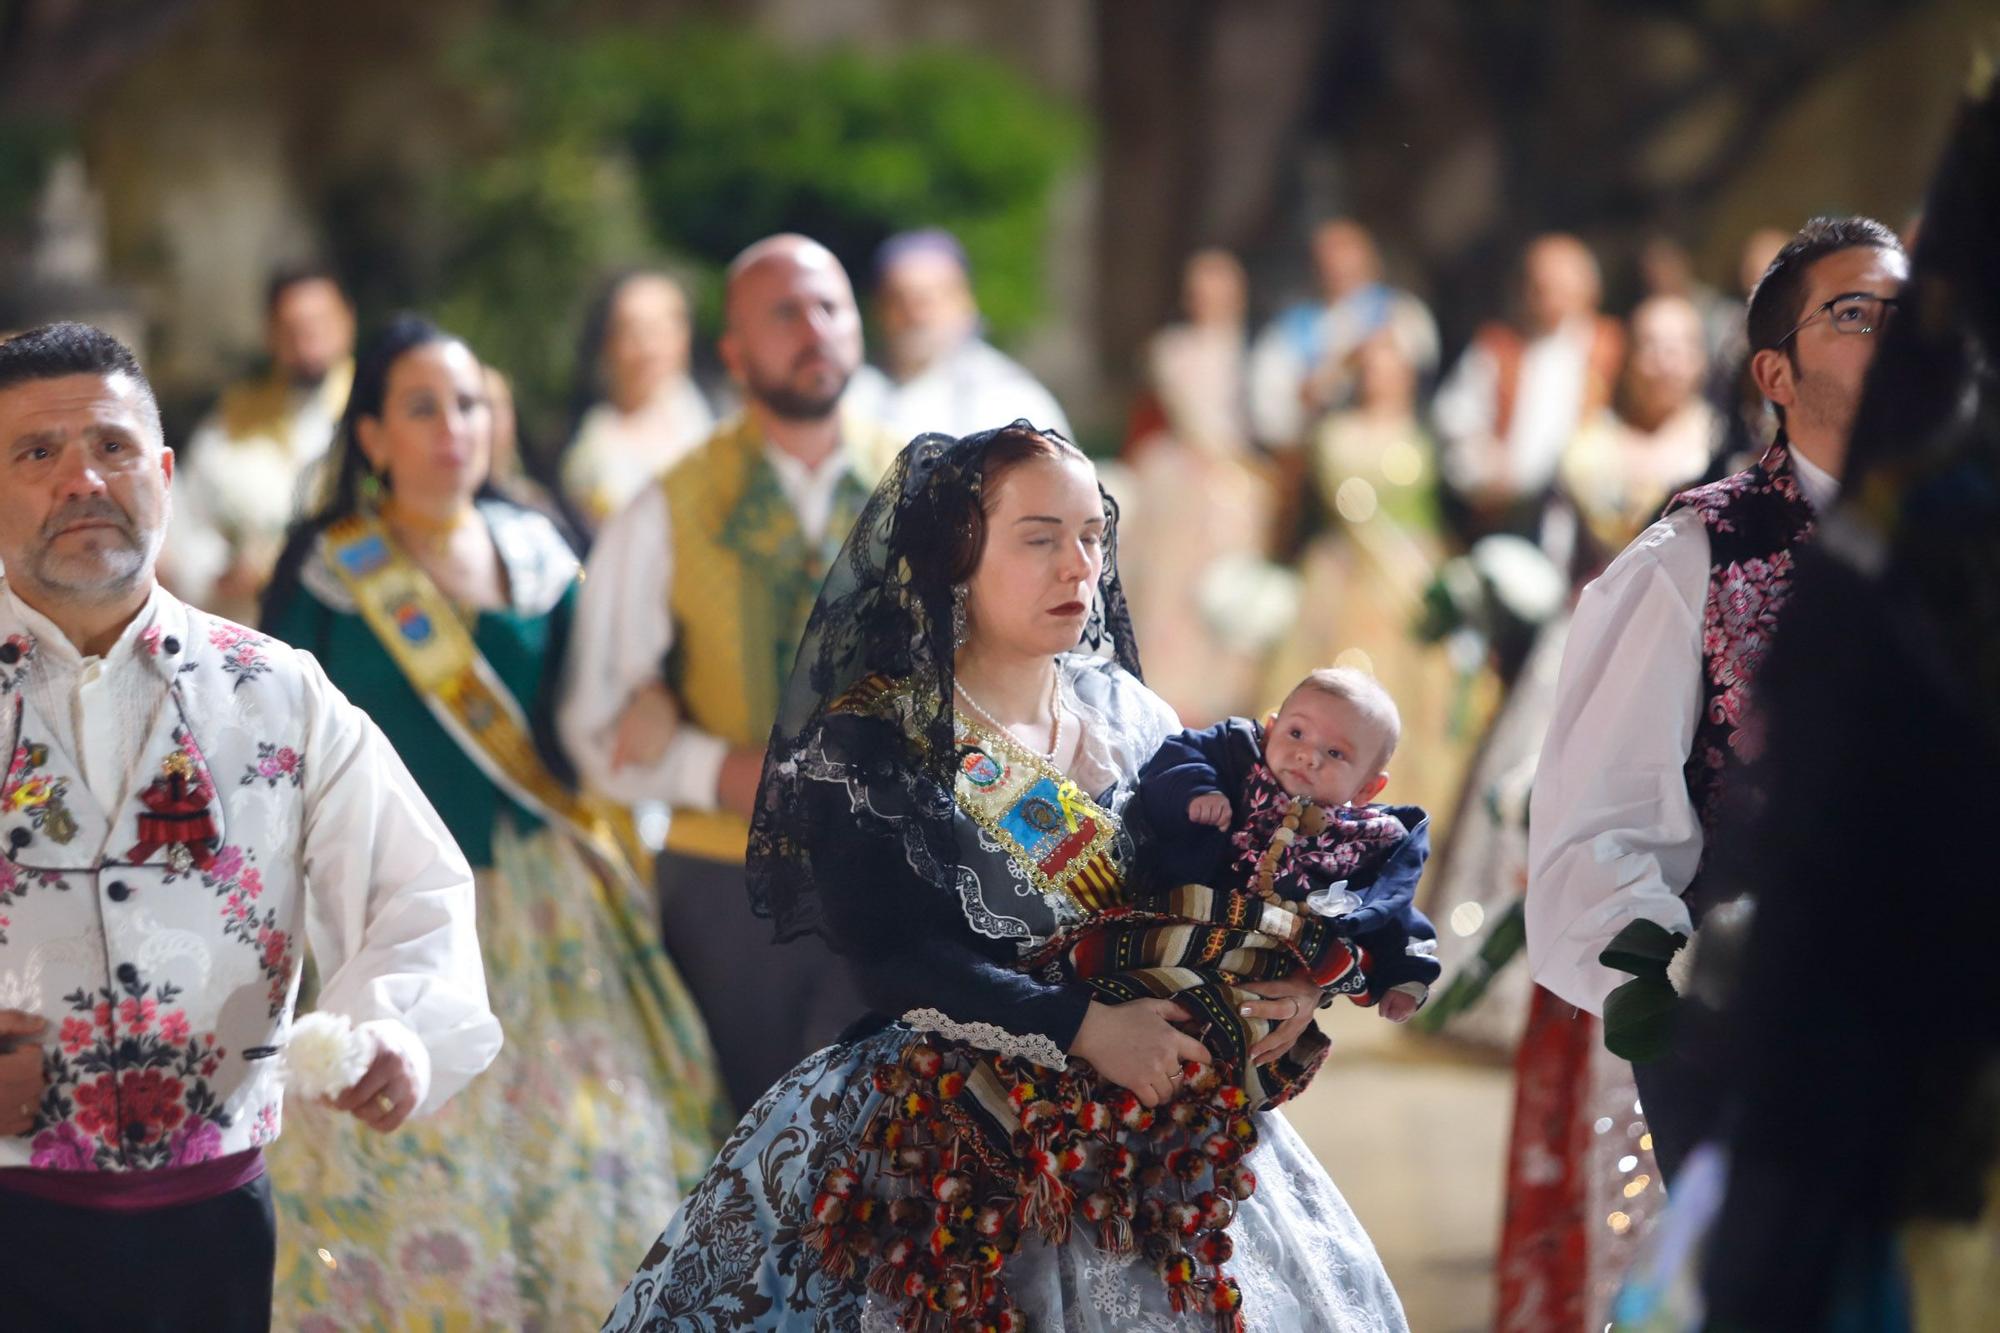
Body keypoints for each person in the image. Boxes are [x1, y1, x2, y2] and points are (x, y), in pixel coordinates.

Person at [602, 423, 1410, 1330]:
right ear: (958, 553)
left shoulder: (1133, 717)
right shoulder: (876, 739)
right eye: (1039, 538)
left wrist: (1294, 979)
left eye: (1092, 538)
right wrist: (1087, 1026)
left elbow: (1239, 889)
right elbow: (895, 958)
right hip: (952, 1130)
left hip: (1163, 1122)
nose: (1079, 567)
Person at [0, 322, 498, 1330]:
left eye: (113, 447)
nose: (83, 481)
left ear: (167, 473)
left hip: (215, 1226)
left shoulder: (278, 691)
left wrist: (391, 1029)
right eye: (36, 453)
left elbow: (417, 887)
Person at [253, 316, 727, 1328]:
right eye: (421, 407)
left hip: (547, 908)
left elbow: (605, 700)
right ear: (371, 435)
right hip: (381, 909)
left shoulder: (542, 552)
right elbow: (273, 743)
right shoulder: (331, 575)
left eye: (467, 404)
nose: (452, 428)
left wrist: (654, 701)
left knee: (583, 1150)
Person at [1527, 217, 1906, 1185]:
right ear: (1774, 376)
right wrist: (1679, 996)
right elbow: (1601, 832)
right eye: (1855, 313)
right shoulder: (1692, 560)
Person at [559, 235, 897, 1115]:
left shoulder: (930, 487)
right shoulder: (667, 506)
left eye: (832, 307)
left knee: (906, 1184)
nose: (815, 328)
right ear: (734, 354)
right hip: (731, 894)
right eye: (784, 312)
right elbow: (595, 725)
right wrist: (717, 769)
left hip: (909, 879)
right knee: (747, 1171)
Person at [1135, 666, 1440, 1020]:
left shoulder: (1361, 841)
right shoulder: (1234, 759)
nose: (1308, 755)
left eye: (1335, 753)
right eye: (1296, 733)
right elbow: (1174, 758)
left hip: (1261, 972)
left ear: (1367, 789)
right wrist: (1197, 791)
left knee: (1250, 1041)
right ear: (1270, 729)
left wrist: (1407, 977)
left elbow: (1391, 908)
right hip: (1174, 922)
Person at [1118, 248, 1278, 724]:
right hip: (1190, 482)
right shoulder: (1173, 349)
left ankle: (1225, 698)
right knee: (1172, 589)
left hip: (1238, 485)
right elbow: (1196, 423)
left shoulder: (1257, 352)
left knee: (1230, 593)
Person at [161, 264, 356, 623]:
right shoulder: (234, 420)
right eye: (292, 328)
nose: (306, 340)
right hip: (254, 619)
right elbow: (186, 517)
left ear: (347, 322)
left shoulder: (374, 413)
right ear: (271, 334)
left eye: (318, 324)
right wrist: (220, 570)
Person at [1433, 233, 1626, 540]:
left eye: (1561, 285)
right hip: (1509, 514)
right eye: (1538, 285)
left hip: (1591, 518)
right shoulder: (1497, 347)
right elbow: (1455, 421)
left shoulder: (1612, 346)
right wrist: (1484, 465)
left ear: (1589, 287)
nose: (1547, 294)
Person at [841, 228, 1071, 441]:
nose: (915, 315)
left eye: (928, 300)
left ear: (964, 301)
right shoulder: (855, 397)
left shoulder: (1012, 399)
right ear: (878, 310)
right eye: (898, 300)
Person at [1248, 217, 1440, 450]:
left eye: (1348, 251)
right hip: (1317, 448)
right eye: (1330, 256)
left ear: (1371, 260)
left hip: (1394, 446)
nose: (1339, 264)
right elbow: (1271, 408)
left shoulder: (1401, 312)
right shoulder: (1291, 328)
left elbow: (1422, 371)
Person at [559, 270, 715, 532]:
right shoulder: (592, 453)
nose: (648, 347)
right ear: (608, 344)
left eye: (660, 330)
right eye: (633, 332)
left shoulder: (719, 415)